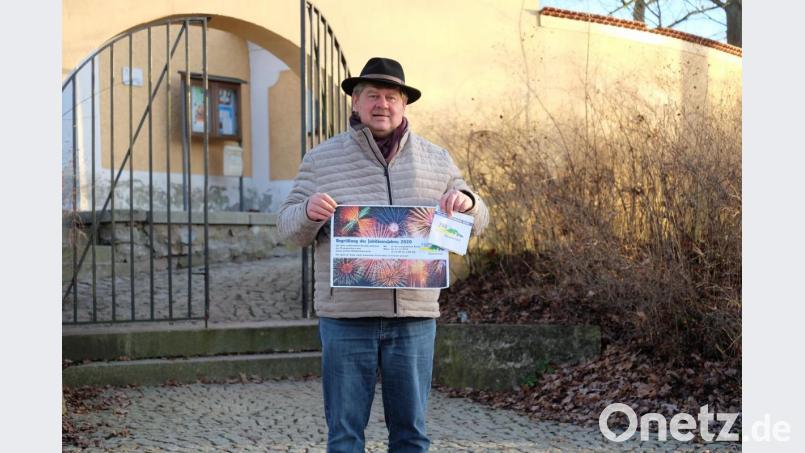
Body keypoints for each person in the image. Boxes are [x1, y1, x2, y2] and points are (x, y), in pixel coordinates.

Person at [278, 57, 489, 452]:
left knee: (411, 435)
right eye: (372, 95)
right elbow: (288, 227)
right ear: (355, 103)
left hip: (413, 317)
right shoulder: (321, 159)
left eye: (391, 96)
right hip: (346, 318)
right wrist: (307, 213)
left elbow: (479, 221)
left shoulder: (437, 159)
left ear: (404, 104)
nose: (383, 104)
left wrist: (468, 202)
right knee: (344, 435)